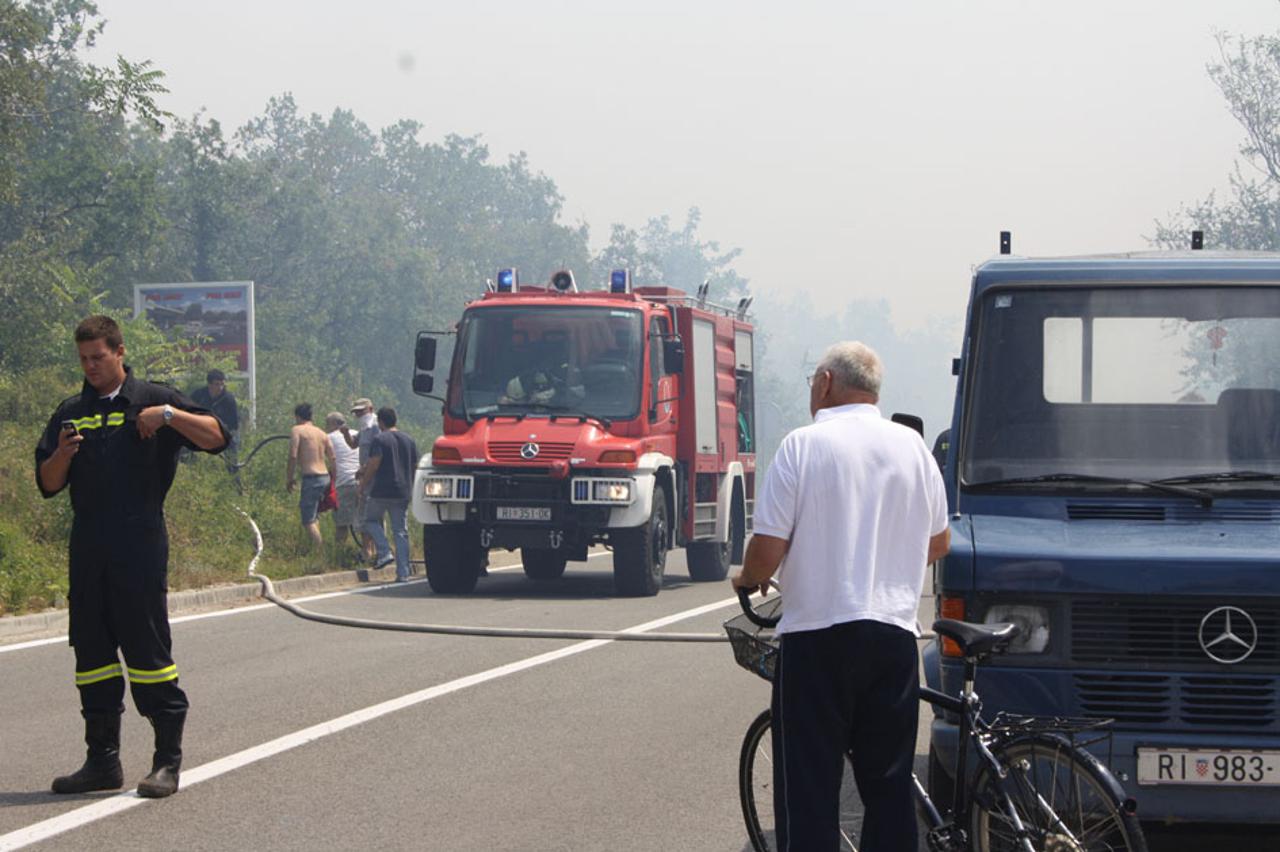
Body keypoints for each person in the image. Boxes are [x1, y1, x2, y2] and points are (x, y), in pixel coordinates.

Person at [731, 341, 949, 852]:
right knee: (889, 788)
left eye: (812, 379)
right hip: (893, 639)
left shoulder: (802, 445)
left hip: (817, 640)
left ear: (826, 382)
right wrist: (886, 564)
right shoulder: (912, 448)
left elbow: (767, 550)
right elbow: (939, 542)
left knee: (810, 791)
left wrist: (746, 577)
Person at [35, 315, 229, 799]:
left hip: (139, 546)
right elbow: (48, 483)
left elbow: (217, 436)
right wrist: (62, 454)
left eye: (98, 357)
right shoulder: (71, 412)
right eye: (83, 359)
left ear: (120, 352)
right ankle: (102, 762)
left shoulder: (153, 399)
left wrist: (168, 416)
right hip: (88, 549)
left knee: (147, 654)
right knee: (92, 656)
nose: (90, 366)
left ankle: (166, 763)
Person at [359, 406, 419, 582]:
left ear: (380, 422)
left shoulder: (379, 439)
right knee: (400, 531)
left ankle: (384, 551)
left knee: (369, 520)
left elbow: (374, 464)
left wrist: (363, 484)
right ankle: (403, 573)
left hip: (381, 490)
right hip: (402, 492)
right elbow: (415, 466)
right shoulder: (409, 439)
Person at [287, 403, 335, 552]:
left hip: (312, 478)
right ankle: (314, 549)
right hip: (325, 477)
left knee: (307, 519)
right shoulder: (322, 433)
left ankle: (320, 552)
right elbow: (332, 457)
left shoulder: (297, 430)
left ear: (297, 416)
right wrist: (334, 478)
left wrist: (289, 478)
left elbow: (293, 455)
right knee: (314, 516)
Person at [342, 397, 380, 562]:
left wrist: (364, 469)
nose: (359, 415)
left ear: (370, 409)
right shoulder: (364, 428)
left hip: (374, 475)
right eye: (356, 413)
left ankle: (371, 551)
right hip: (365, 475)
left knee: (369, 513)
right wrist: (345, 434)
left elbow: (378, 454)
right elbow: (353, 444)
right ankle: (371, 550)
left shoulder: (376, 427)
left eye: (361, 411)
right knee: (366, 512)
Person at [325, 411, 360, 552]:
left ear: (333, 424)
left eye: (327, 424)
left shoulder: (329, 437)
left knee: (342, 524)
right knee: (368, 521)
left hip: (344, 483)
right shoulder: (357, 434)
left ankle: (338, 554)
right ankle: (375, 553)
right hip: (363, 482)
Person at [190, 368, 240, 458]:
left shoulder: (229, 399)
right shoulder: (198, 395)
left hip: (221, 431)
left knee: (232, 444)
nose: (220, 388)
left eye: (222, 384)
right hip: (199, 430)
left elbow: (234, 423)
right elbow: (189, 413)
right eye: (217, 384)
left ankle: (232, 465)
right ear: (209, 384)